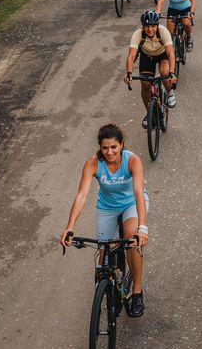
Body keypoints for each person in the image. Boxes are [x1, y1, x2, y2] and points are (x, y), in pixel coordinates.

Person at [61, 123, 150, 316]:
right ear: (100, 147)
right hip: (107, 207)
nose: (109, 152)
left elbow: (138, 193)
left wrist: (142, 228)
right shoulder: (93, 164)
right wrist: (70, 227)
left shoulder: (132, 160)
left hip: (131, 204)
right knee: (104, 252)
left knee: (130, 238)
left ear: (122, 144)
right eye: (105, 148)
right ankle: (108, 285)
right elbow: (82, 196)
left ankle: (137, 290)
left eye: (114, 147)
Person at [125, 11, 177, 113]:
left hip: (162, 54)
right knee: (145, 84)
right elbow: (131, 56)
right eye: (147, 26)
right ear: (143, 26)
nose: (150, 29)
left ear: (157, 25)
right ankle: (149, 112)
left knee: (164, 72)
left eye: (153, 26)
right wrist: (129, 73)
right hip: (147, 56)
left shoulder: (163, 31)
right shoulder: (138, 34)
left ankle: (170, 92)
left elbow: (171, 54)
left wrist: (172, 73)